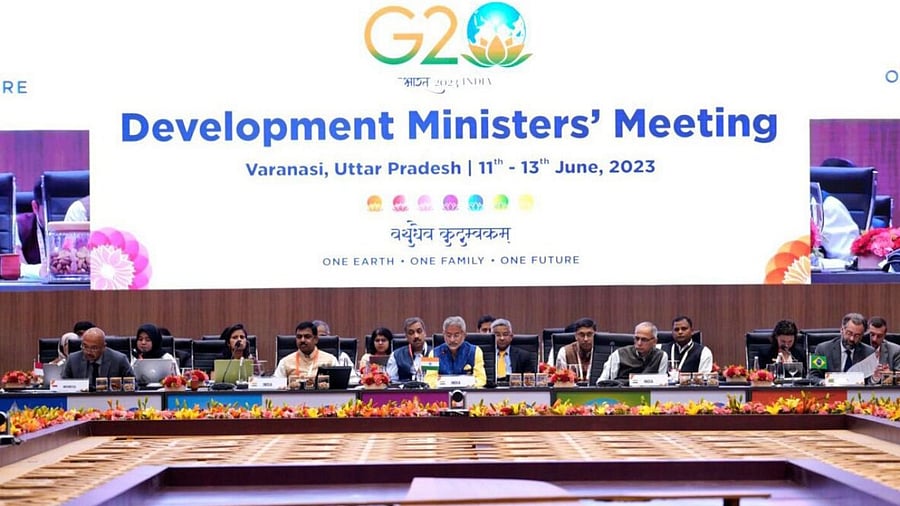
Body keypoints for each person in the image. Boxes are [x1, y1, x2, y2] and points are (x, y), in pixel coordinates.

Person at [425, 316, 486, 388]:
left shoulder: (476, 351)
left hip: (467, 392)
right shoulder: (432, 353)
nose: (452, 340)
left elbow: (481, 379)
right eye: (448, 335)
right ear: (443, 334)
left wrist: (467, 383)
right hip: (443, 394)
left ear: (464, 334)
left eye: (456, 335)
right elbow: (428, 380)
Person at [810, 313, 875, 380]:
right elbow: (813, 376)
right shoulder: (822, 349)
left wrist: (875, 378)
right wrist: (824, 382)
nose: (852, 338)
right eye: (849, 333)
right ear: (842, 330)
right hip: (831, 390)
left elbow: (871, 379)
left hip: (857, 390)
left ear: (862, 335)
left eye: (857, 336)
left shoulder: (869, 353)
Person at [61, 327, 134, 386]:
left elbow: (133, 385)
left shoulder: (119, 360)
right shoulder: (73, 359)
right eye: (85, 346)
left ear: (104, 347)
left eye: (94, 348)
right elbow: (63, 385)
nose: (88, 351)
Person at [599, 322, 669, 382]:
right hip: (622, 394)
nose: (639, 343)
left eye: (644, 339)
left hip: (650, 395)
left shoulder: (661, 356)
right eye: (637, 338)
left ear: (654, 341)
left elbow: (662, 383)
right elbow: (602, 382)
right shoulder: (619, 354)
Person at [273, 321, 338, 379]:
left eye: (307, 336)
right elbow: (275, 386)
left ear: (316, 339)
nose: (302, 340)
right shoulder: (285, 362)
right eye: (299, 337)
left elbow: (341, 385)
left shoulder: (330, 360)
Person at [386, 317, 430, 383]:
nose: (416, 336)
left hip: (429, 392)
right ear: (406, 337)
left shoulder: (435, 353)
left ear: (425, 333)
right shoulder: (396, 355)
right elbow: (392, 382)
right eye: (411, 333)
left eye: (419, 331)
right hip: (405, 392)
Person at [556, 317, 598, 383]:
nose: (586, 339)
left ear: (595, 335)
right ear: (576, 336)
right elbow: (560, 379)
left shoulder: (602, 352)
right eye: (582, 335)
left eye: (589, 334)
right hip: (571, 391)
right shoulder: (565, 352)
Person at [15, 180, 45, 267]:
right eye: (48, 211)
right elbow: (18, 265)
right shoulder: (20, 224)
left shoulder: (70, 223)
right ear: (35, 207)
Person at [868, 317, 900, 382]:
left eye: (879, 336)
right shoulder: (859, 348)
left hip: (886, 391)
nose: (874, 339)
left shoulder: (895, 351)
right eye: (872, 334)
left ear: (884, 335)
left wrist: (889, 375)